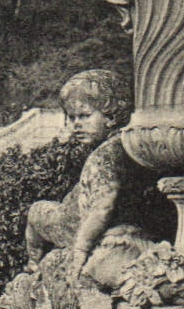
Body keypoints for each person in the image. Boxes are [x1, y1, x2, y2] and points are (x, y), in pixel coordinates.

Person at [23, 69, 141, 277]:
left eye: (85, 116)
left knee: (35, 212)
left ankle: (33, 263)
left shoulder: (104, 155)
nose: (76, 124)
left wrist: (80, 250)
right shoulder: (130, 144)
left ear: (111, 117)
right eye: (72, 117)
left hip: (71, 223)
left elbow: (103, 207)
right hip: (91, 218)